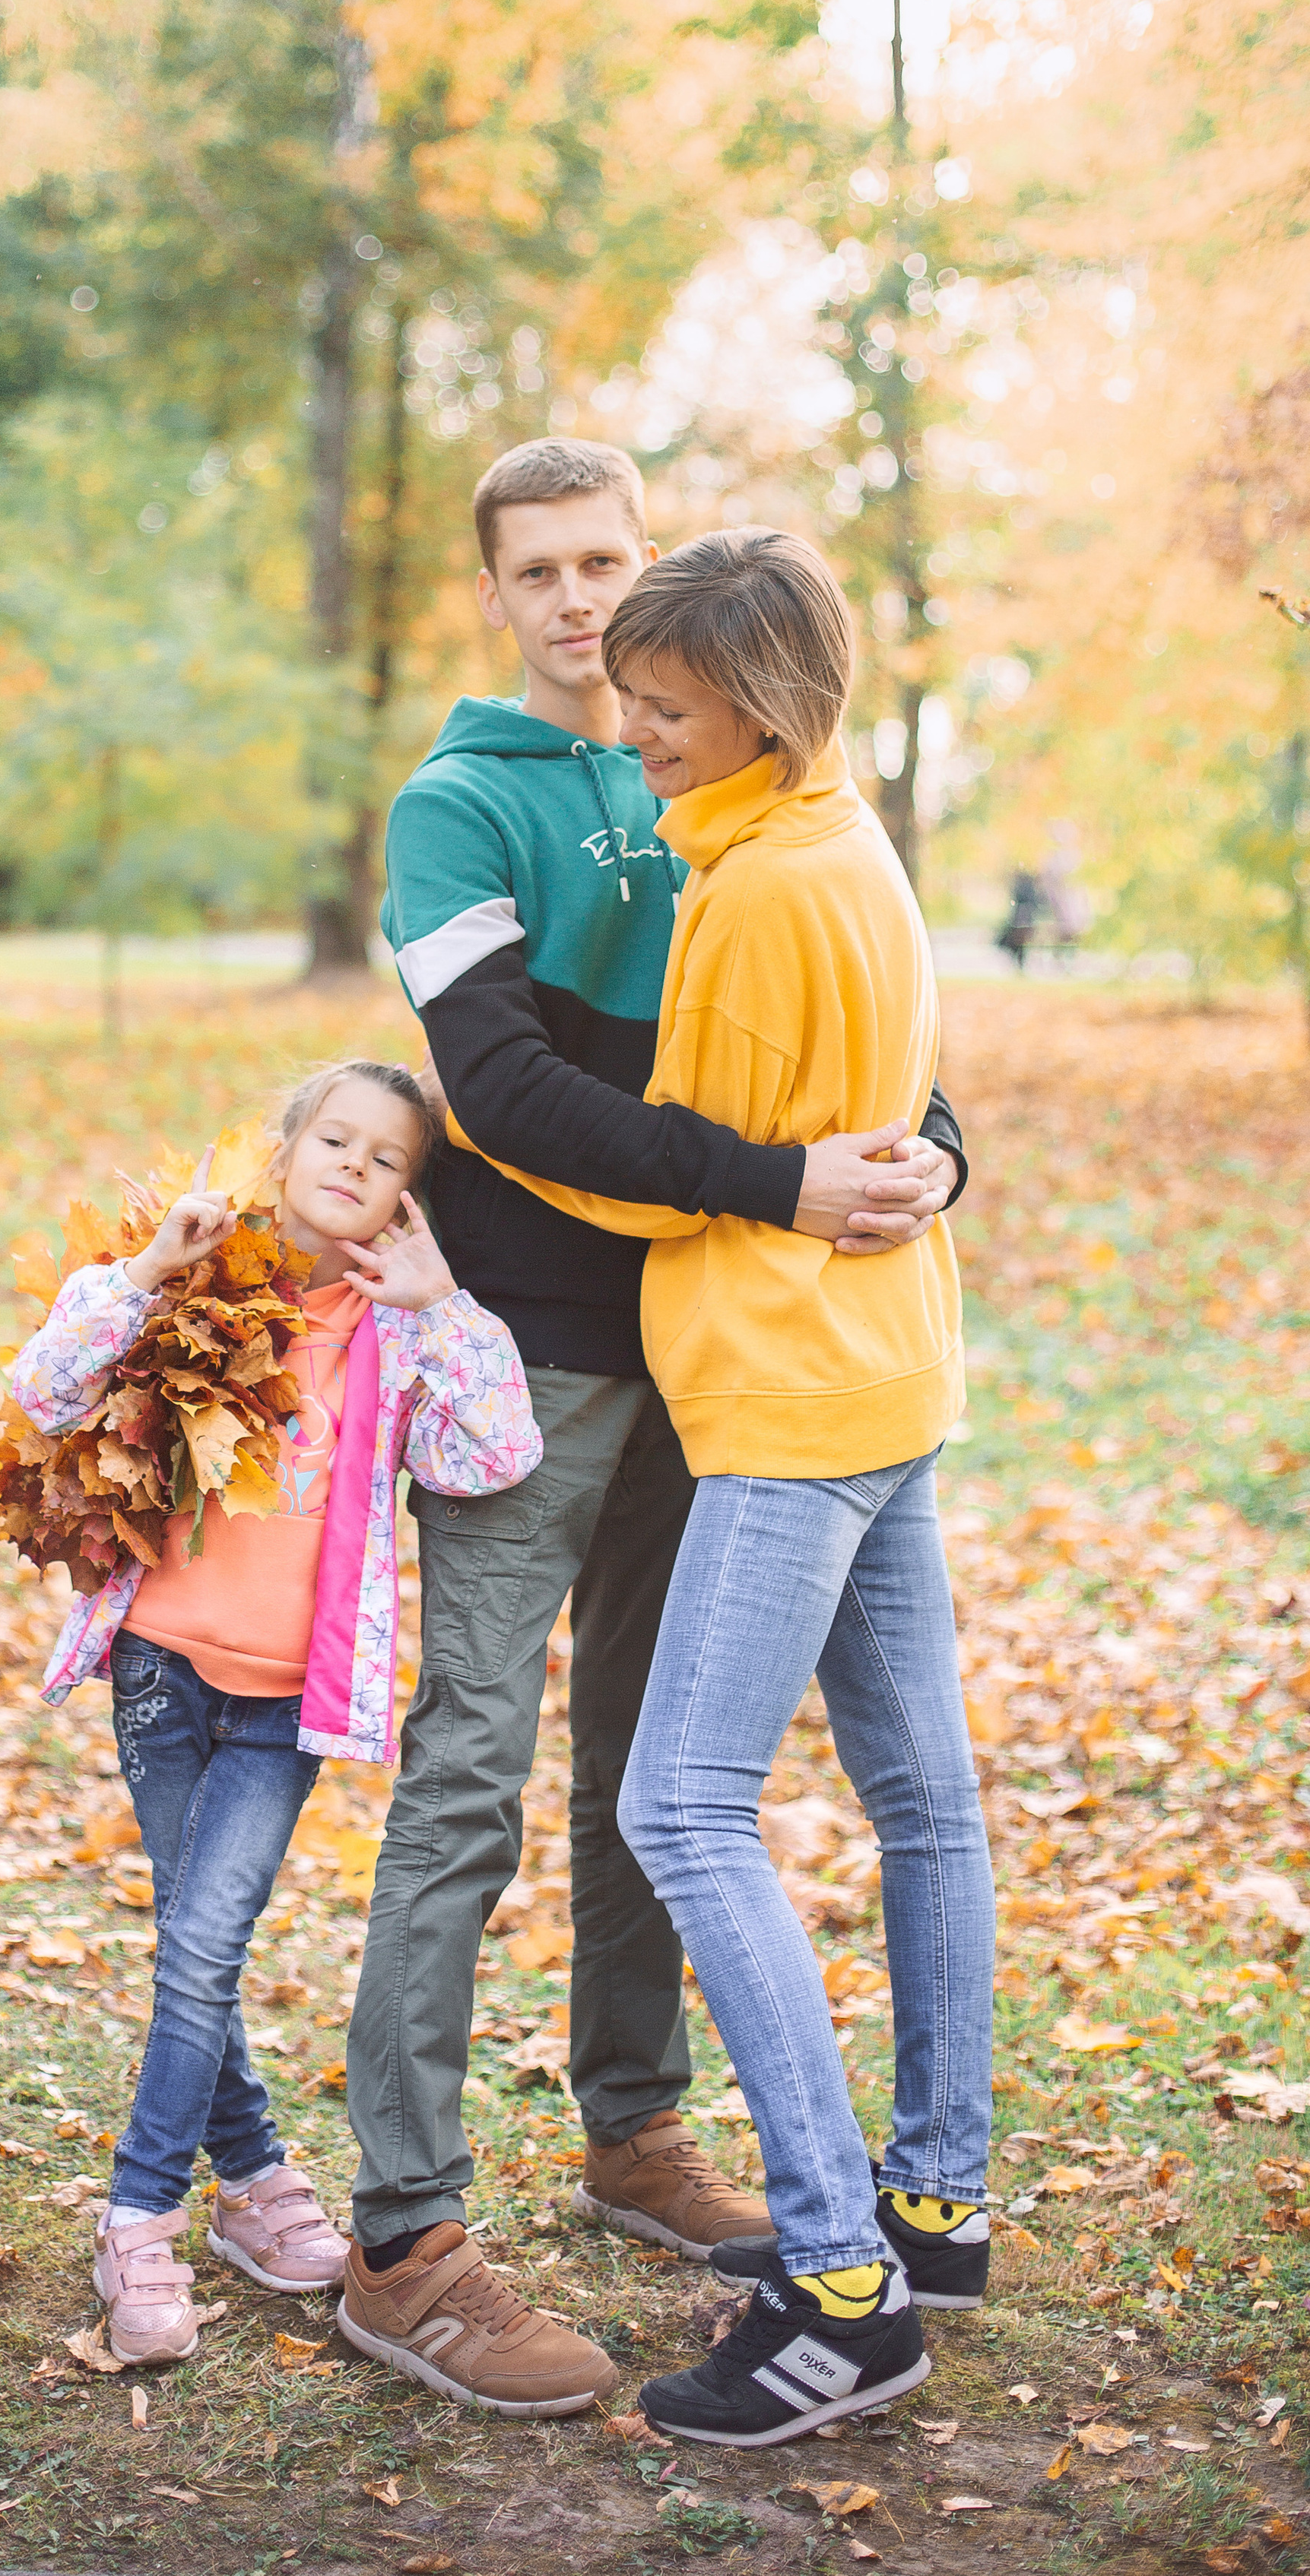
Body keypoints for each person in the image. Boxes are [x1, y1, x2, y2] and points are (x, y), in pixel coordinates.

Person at [336, 440, 967, 2418]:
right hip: (535, 1354)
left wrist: (928, 1153)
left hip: (732, 1366)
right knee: (470, 1775)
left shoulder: (728, 773)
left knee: (652, 1772)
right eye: (541, 571)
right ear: (497, 588)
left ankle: (640, 2132)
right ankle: (409, 2232)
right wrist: (789, 1184)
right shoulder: (460, 810)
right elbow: (508, 1091)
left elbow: (865, 1052)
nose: (583, 606)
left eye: (609, 562)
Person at [5, 1062, 542, 2371]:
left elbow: (497, 1456)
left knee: (200, 1949)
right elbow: (43, 1392)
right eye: (337, 1140)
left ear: (409, 1200)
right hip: (157, 1668)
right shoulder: (201, 1279)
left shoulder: (398, 1329)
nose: (355, 1168)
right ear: (287, 1146)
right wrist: (142, 1277)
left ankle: (154, 2210)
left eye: (389, 1162)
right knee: (199, 1949)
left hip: (281, 1704)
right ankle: (223, 2191)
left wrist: (449, 1306)